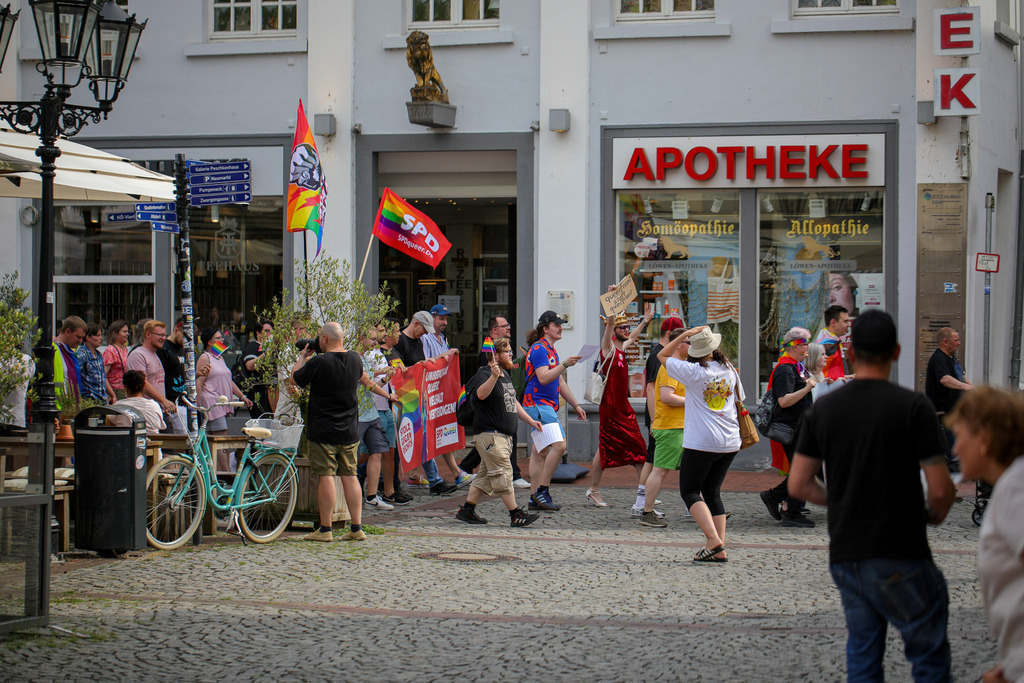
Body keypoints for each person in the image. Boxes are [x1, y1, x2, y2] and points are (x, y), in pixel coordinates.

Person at [788, 309, 956, 681]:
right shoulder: (914, 407)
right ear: (895, 352)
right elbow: (942, 489)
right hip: (903, 549)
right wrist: (930, 513)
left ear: (852, 349)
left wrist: (843, 500)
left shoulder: (825, 410)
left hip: (849, 553)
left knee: (863, 657)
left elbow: (798, 485)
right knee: (928, 657)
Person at [945, 387, 1024, 683]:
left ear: (985, 440)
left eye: (960, 436)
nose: (954, 449)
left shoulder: (1016, 487)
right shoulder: (1012, 483)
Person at [292, 322, 397, 543]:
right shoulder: (355, 360)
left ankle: (325, 529)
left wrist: (302, 357)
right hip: (349, 428)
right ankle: (356, 527)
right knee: (349, 476)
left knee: (326, 476)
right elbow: (367, 381)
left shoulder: (319, 361)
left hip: (323, 429)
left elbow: (295, 379)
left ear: (323, 339)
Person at [658, 326, 742, 562]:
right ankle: (719, 548)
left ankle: (713, 540)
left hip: (702, 441)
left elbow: (662, 356)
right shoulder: (729, 369)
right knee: (712, 492)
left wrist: (684, 336)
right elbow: (738, 398)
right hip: (730, 440)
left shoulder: (693, 371)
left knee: (690, 491)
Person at [455, 337, 543, 527]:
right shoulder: (484, 373)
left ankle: (467, 510)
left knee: (485, 476)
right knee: (503, 473)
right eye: (507, 351)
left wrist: (530, 420)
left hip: (501, 437)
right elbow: (480, 394)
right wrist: (493, 376)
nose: (511, 354)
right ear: (495, 355)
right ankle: (515, 514)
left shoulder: (505, 375)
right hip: (490, 436)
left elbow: (513, 402)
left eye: (510, 350)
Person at [585, 305, 652, 513]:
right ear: (613, 331)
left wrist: (645, 321)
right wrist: (611, 310)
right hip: (612, 410)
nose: (625, 331)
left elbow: (632, 336)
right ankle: (597, 490)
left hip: (624, 409)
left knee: (636, 450)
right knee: (630, 449)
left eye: (626, 327)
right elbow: (610, 327)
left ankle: (645, 492)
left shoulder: (622, 350)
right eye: (621, 328)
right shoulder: (608, 349)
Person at [522, 310, 586, 512]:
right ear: (545, 328)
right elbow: (543, 377)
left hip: (544, 406)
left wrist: (576, 404)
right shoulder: (540, 349)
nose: (560, 328)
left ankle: (534, 497)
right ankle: (542, 490)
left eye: (561, 324)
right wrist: (565, 364)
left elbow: (558, 381)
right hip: (538, 405)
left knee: (539, 452)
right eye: (556, 325)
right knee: (559, 446)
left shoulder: (549, 349)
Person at [392, 311, 458, 496]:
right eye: (423, 329)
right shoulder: (401, 341)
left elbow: (419, 365)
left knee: (423, 438)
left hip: (417, 396)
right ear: (415, 323)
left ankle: (434, 480)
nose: (424, 333)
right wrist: (423, 364)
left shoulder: (419, 341)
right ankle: (386, 481)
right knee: (402, 442)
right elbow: (401, 370)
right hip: (405, 397)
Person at [458, 315, 528, 488]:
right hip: (492, 409)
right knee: (496, 440)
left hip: (501, 407)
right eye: (504, 326)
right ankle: (513, 480)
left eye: (508, 325)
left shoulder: (503, 351)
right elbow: (483, 387)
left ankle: (466, 469)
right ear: (494, 330)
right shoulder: (489, 354)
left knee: (483, 474)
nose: (508, 329)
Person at [758, 327, 818, 528]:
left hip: (800, 426)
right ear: (793, 347)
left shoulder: (796, 366)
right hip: (791, 428)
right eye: (803, 344)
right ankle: (787, 508)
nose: (807, 347)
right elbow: (784, 401)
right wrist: (808, 387)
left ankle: (787, 505)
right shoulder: (785, 369)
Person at [418, 304, 472, 488]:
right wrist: (446, 355)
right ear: (432, 318)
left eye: (446, 319)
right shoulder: (425, 338)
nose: (444, 322)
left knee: (438, 433)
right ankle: (448, 475)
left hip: (440, 394)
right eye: (441, 318)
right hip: (429, 394)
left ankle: (419, 475)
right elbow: (426, 363)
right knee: (428, 435)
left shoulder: (442, 338)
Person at [639, 328, 687, 528]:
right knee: (659, 470)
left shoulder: (679, 365)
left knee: (692, 469)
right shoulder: (670, 367)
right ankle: (647, 511)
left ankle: (705, 507)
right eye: (689, 342)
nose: (692, 346)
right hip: (670, 426)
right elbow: (667, 397)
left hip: (679, 426)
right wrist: (693, 401)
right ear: (679, 344)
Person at [366, 320, 414, 506]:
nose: (384, 334)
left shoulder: (380, 353)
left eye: (385, 330)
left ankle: (389, 492)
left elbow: (385, 376)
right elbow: (367, 379)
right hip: (373, 408)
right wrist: (384, 375)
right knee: (371, 453)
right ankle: (359, 483)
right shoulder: (366, 354)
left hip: (385, 406)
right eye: (381, 331)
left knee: (389, 452)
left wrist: (394, 372)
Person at [355, 326, 396, 512]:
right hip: (359, 414)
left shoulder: (364, 359)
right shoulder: (355, 359)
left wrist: (386, 379)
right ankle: (341, 482)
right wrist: (388, 397)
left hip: (371, 413)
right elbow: (368, 384)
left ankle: (371, 496)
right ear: (360, 338)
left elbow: (374, 384)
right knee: (354, 455)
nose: (374, 342)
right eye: (371, 338)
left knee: (377, 451)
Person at [926, 326, 975, 475]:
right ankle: (952, 483)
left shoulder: (952, 357)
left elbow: (959, 375)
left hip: (954, 410)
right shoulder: (938, 358)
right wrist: (966, 388)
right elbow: (945, 379)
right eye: (956, 340)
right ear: (945, 342)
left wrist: (973, 387)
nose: (959, 343)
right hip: (944, 411)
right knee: (952, 448)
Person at [126, 320, 182, 432]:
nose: (163, 338)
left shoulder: (155, 355)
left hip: (160, 411)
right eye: (159, 335)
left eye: (164, 335)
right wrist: (164, 400)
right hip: (146, 412)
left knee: (169, 446)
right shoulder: (138, 355)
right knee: (160, 447)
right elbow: (142, 383)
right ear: (148, 335)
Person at [196, 328, 251, 438]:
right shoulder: (205, 358)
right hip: (212, 403)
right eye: (218, 338)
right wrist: (197, 408)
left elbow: (228, 381)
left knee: (218, 438)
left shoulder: (219, 358)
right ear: (210, 342)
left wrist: (242, 396)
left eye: (222, 337)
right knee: (221, 437)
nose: (222, 340)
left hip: (222, 403)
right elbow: (199, 382)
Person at [111, 370, 166, 435]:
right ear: (143, 387)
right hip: (152, 442)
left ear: (125, 388)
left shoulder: (117, 406)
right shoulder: (154, 405)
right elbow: (160, 426)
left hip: (126, 442)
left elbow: (110, 424)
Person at [76, 322, 115, 404]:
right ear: (88, 337)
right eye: (97, 335)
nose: (101, 338)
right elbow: (75, 378)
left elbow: (103, 377)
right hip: (89, 400)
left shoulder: (99, 355)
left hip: (101, 400)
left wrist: (112, 395)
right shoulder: (82, 355)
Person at [243, 319, 274, 418]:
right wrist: (266, 353)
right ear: (258, 333)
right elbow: (250, 365)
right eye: (266, 331)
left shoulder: (274, 349)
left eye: (271, 331)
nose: (269, 334)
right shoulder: (253, 346)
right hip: (258, 394)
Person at [53, 316, 86, 406]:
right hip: (57, 406)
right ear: (68, 332)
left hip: (70, 407)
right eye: (78, 337)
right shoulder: (53, 349)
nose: (80, 341)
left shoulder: (71, 352)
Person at [815, 305, 853, 381]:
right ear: (833, 323)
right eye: (845, 321)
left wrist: (850, 376)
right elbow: (824, 378)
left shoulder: (834, 341)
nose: (849, 324)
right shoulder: (826, 347)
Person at [103, 319, 130, 400]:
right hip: (115, 391)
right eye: (124, 332)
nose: (127, 334)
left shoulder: (125, 349)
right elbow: (103, 375)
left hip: (125, 390)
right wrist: (111, 394)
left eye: (127, 332)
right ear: (115, 333)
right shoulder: (110, 350)